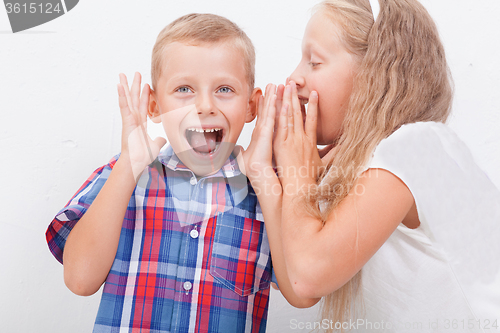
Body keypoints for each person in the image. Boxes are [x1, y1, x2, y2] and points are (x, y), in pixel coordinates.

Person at [243, 0, 500, 332]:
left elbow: (307, 276)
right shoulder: (358, 165)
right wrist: (264, 175)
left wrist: (297, 173)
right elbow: (296, 287)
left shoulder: (416, 147)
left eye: (315, 62)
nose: (294, 77)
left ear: (375, 74)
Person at [45, 13, 283, 332]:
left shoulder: (266, 190)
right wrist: (128, 168)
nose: (204, 105)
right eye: (184, 88)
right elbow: (79, 280)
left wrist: (264, 177)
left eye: (224, 89)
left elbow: (301, 290)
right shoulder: (125, 173)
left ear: (252, 106)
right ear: (154, 105)